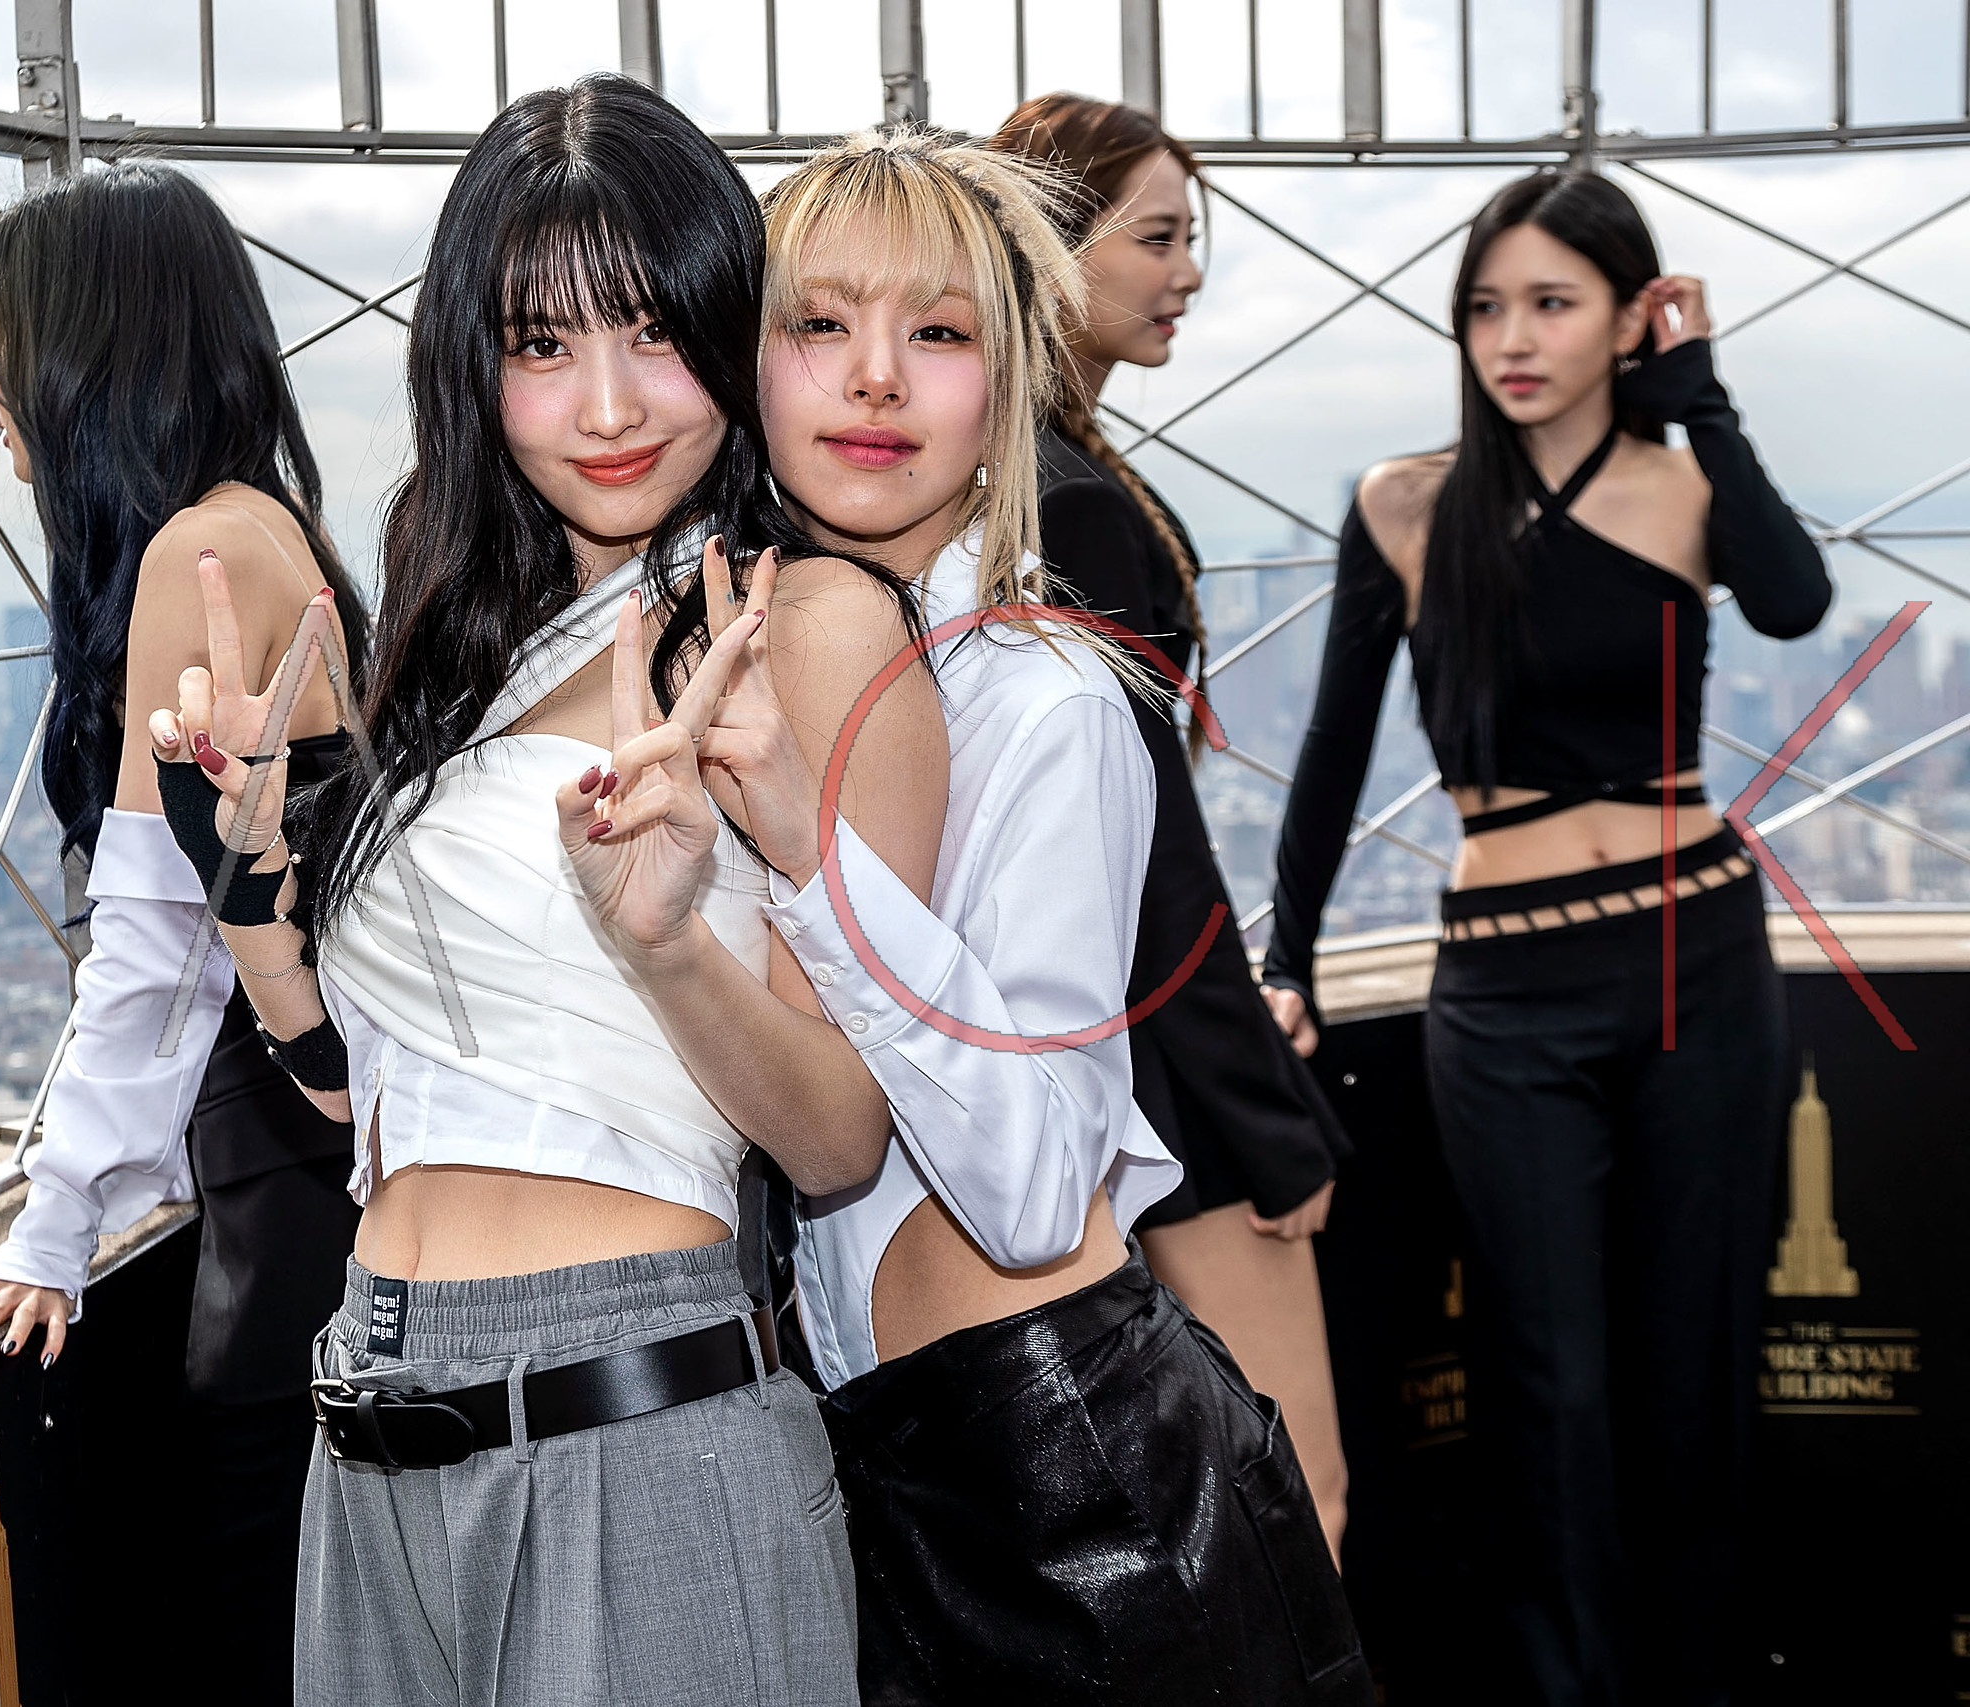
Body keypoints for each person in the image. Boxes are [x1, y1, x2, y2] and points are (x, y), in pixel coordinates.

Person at [151, 76, 949, 1704]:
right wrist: (251, 896)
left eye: (653, 332)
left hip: (635, 1422)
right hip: (369, 1426)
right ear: (474, 367)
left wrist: (662, 945)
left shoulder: (808, 628)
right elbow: (377, 1102)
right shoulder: (457, 647)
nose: (606, 404)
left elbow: (841, 1137)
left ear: (729, 329)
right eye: (540, 343)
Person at [736, 125, 1372, 1703]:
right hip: (895, 1462)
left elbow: (1028, 1190)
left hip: (1069, 1483)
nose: (875, 377)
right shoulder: (773, 660)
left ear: (1008, 382)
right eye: (820, 322)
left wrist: (818, 870)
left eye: (939, 333)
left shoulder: (1045, 696)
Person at [1260, 169, 1831, 1705]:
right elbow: (1330, 751)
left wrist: (1705, 402)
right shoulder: (1405, 504)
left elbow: (1795, 602)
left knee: (1692, 1372)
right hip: (1506, 986)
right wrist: (1289, 958)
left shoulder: (1684, 489)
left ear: (1631, 317)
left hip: (1696, 959)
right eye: (1486, 306)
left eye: (1554, 303)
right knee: (1546, 1385)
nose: (1513, 337)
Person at [0, 163, 372, 1695]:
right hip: (301, 1169)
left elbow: (163, 942)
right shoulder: (266, 522)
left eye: (12, 344)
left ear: (94, 353)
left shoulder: (198, 558)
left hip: (283, 1194)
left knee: (250, 1621)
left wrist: (54, 1226)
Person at [989, 92, 1354, 1557]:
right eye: (1158, 237)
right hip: (1163, 1082)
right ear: (1053, 245)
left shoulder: (1021, 469)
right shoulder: (1069, 499)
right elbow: (1151, 856)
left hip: (1069, 1071)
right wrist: (1271, 1123)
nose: (1187, 272)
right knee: (1296, 1503)